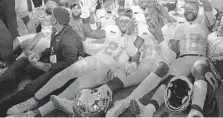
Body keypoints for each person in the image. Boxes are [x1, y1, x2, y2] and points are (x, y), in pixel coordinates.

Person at [7, 8, 144, 117]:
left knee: (78, 84)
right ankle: (30, 102)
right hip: (96, 58)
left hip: (108, 67)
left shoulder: (137, 38)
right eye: (121, 20)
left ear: (133, 23)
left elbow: (136, 54)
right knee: (68, 72)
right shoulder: (112, 31)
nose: (123, 23)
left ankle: (34, 114)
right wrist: (85, 14)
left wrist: (134, 62)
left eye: (126, 21)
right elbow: (90, 33)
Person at [0, 6, 84, 117]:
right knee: (22, 62)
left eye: (52, 16)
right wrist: (39, 54)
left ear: (56, 20)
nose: (50, 17)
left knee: (31, 88)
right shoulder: (57, 30)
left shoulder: (68, 38)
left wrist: (46, 66)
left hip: (61, 71)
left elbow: (70, 63)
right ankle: (3, 83)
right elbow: (52, 49)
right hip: (53, 62)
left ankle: (4, 107)